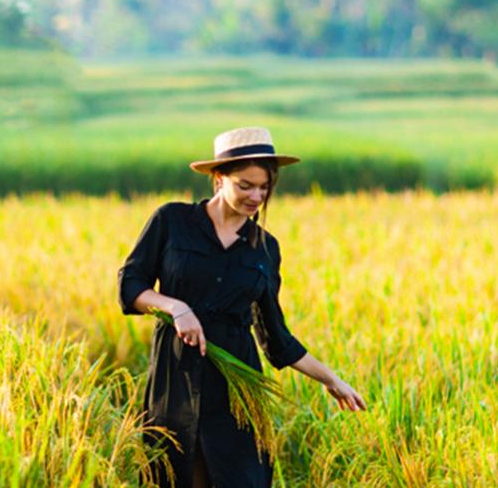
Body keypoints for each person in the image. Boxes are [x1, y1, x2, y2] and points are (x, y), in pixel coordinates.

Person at [118, 126, 368, 487]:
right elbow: (130, 285)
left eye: (264, 187)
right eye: (245, 185)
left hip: (236, 392)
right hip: (176, 381)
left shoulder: (265, 248)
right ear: (219, 179)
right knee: (175, 474)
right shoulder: (171, 221)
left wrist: (332, 380)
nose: (257, 196)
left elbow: (276, 338)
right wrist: (176, 308)